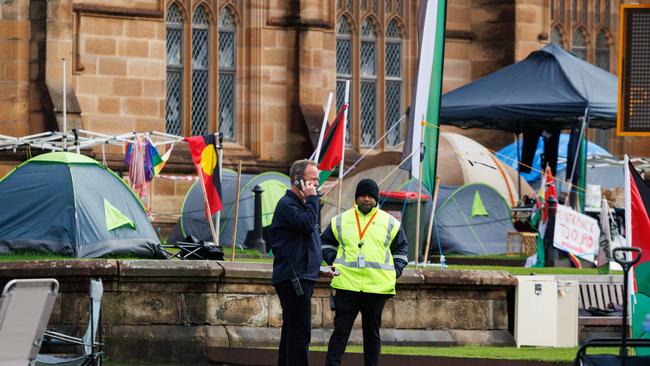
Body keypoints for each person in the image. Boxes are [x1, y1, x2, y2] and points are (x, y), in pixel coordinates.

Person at [321, 178, 408, 366]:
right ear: (356, 198)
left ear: (376, 199)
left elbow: (401, 250)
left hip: (376, 288)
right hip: (346, 285)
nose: (366, 199)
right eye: (362, 195)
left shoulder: (390, 223)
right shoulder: (341, 220)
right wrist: (333, 260)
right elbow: (325, 242)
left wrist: (396, 271)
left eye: (370, 196)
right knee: (340, 332)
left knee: (372, 334)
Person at [269, 159, 332, 366]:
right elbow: (306, 225)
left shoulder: (304, 206)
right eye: (312, 179)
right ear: (298, 181)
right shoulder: (288, 205)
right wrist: (313, 199)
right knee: (299, 333)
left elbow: (306, 243)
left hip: (302, 275)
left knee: (292, 332)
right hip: (293, 278)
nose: (316, 184)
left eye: (317, 180)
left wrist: (318, 268)